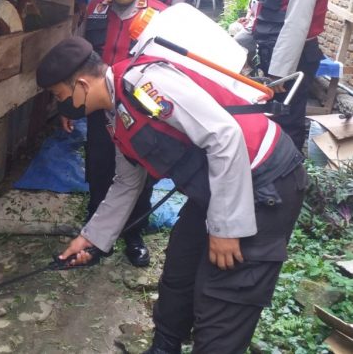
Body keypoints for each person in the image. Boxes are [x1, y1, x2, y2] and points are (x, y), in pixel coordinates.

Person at [36, 37, 306, 354]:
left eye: (59, 95)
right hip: (216, 184)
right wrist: (92, 238)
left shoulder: (144, 86)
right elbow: (126, 181)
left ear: (81, 84)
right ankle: (164, 347)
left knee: (225, 294)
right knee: (180, 269)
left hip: (264, 179)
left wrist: (226, 228)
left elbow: (224, 136)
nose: (60, 103)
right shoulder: (115, 112)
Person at [73, 0, 166, 267]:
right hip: (102, 104)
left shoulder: (158, 14)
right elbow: (82, 57)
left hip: (140, 109)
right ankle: (98, 232)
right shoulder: (97, 9)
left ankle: (134, 233)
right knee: (99, 164)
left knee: (140, 169)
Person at [253, 0, 328, 150]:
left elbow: (296, 23)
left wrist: (279, 73)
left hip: (292, 59)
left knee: (287, 117)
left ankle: (289, 176)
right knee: (275, 115)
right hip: (277, 53)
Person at [231, 0, 278, 64]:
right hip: (253, 23)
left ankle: (249, 67)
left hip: (265, 28)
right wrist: (247, 18)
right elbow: (251, 8)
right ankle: (250, 65)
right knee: (233, 30)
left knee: (237, 41)